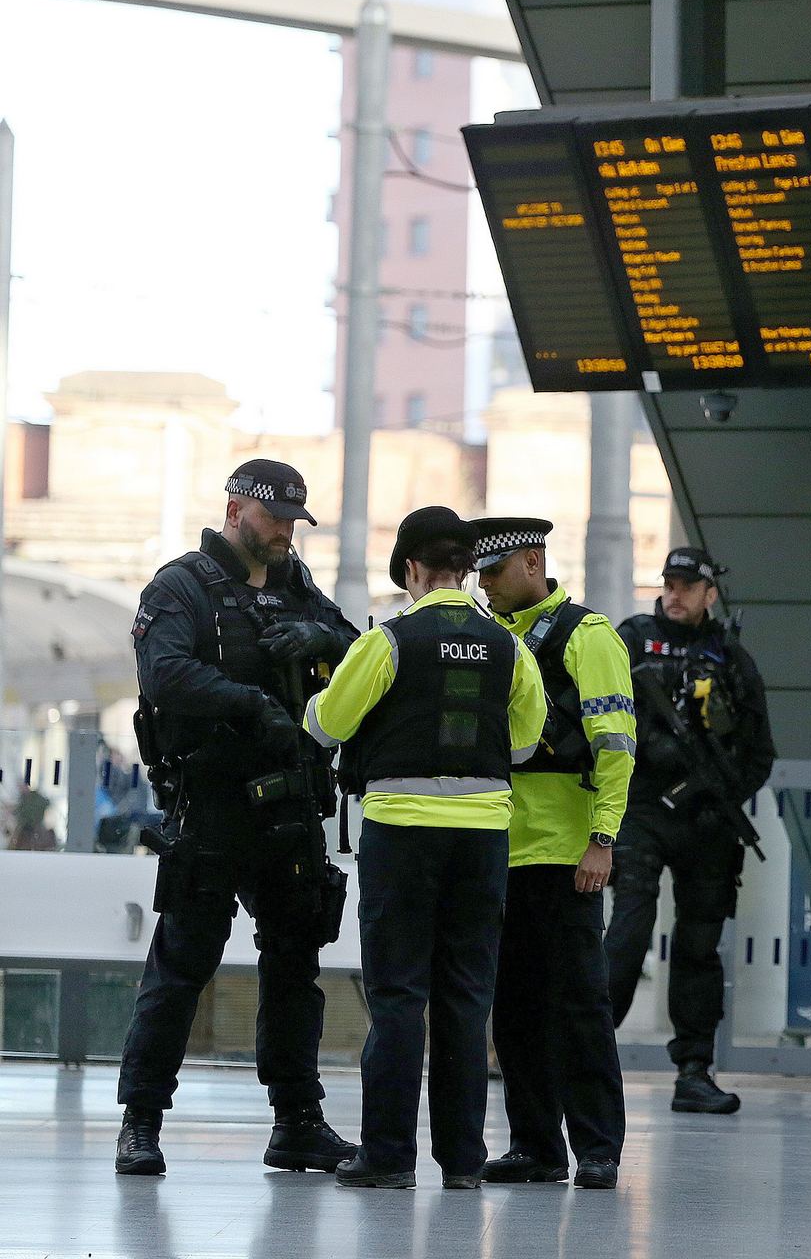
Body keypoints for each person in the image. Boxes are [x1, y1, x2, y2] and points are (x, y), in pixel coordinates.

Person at [115, 459, 360, 1176]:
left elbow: (363, 653)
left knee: (294, 967)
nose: (285, 531)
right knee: (181, 967)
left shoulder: (299, 588)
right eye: (274, 516)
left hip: (288, 808)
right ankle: (141, 1121)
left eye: (294, 519)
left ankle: (297, 1122)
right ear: (234, 508)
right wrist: (248, 703)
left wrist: (325, 642)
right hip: (214, 806)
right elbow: (164, 674)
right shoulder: (181, 585)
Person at [305, 508, 546, 1190]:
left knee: (399, 996)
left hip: (401, 837)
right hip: (483, 838)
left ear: (411, 569)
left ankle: (386, 1157)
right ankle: (464, 1164)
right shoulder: (509, 647)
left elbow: (328, 724)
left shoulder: (390, 642)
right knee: (467, 999)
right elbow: (523, 743)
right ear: (467, 570)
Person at [469, 517, 635, 1190]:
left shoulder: (585, 635)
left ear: (532, 562)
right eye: (477, 574)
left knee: (578, 1008)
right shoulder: (489, 639)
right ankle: (536, 1147)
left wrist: (602, 840)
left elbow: (615, 746)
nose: (482, 585)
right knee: (513, 1011)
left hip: (567, 856)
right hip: (498, 853)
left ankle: (597, 1147)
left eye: (493, 572)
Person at [607, 547, 775, 1115]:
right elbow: (596, 714)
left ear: (710, 593)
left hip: (706, 819)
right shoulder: (630, 640)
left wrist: (721, 796)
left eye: (687, 586)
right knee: (629, 930)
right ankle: (589, 1054)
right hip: (642, 809)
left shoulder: (730, 657)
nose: (674, 594)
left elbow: (759, 751)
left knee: (700, 945)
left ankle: (694, 1070)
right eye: (668, 583)